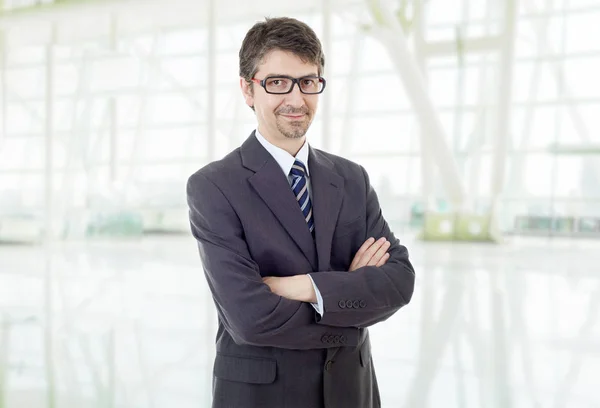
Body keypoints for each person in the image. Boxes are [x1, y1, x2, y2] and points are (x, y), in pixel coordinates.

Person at [186, 16, 415, 408]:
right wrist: (348, 296)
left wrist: (304, 287)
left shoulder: (351, 179)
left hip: (351, 390)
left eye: (308, 82)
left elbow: (399, 282)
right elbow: (250, 317)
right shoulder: (214, 186)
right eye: (277, 83)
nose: (296, 99)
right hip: (263, 396)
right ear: (247, 90)